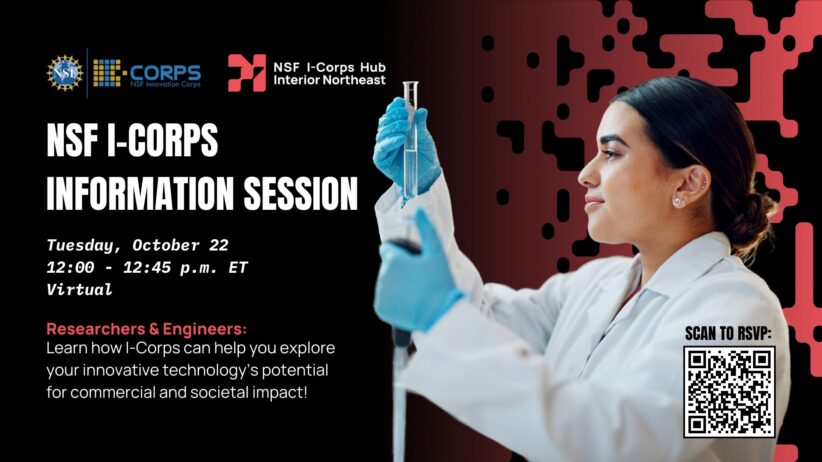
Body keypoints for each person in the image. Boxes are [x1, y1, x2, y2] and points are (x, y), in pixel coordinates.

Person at [371, 76, 791, 462]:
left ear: (688, 183)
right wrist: (422, 192)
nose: (585, 175)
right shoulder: (596, 286)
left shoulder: (747, 316)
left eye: (611, 153)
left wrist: (440, 316)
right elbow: (480, 326)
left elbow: (635, 449)